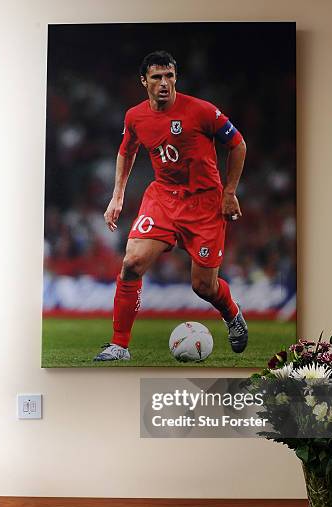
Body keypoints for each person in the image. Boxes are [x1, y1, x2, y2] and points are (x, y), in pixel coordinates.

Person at [94, 50, 247, 361]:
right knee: (132, 263)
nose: (164, 83)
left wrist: (229, 191)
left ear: (175, 78)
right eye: (156, 77)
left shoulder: (202, 111)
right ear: (144, 81)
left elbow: (238, 144)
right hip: (163, 197)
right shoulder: (135, 116)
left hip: (204, 204)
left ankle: (232, 313)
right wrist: (118, 195)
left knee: (204, 287)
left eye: (169, 76)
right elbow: (127, 151)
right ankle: (119, 345)